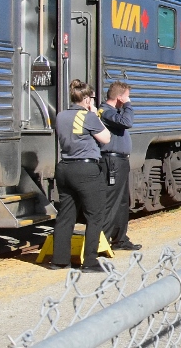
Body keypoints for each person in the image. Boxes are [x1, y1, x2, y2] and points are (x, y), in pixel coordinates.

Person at [51, 80, 111, 271]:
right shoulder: (89, 116)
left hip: (64, 168)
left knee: (65, 215)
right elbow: (106, 138)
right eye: (92, 98)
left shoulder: (61, 115)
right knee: (95, 215)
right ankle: (90, 261)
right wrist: (94, 114)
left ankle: (60, 260)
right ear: (86, 99)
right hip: (86, 169)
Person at [99, 81, 141, 251]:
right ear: (120, 98)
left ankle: (120, 239)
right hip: (111, 162)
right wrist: (128, 105)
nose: (129, 100)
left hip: (120, 161)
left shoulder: (113, 112)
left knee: (122, 202)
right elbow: (127, 122)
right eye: (127, 97)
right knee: (111, 202)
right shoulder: (105, 112)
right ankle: (102, 241)